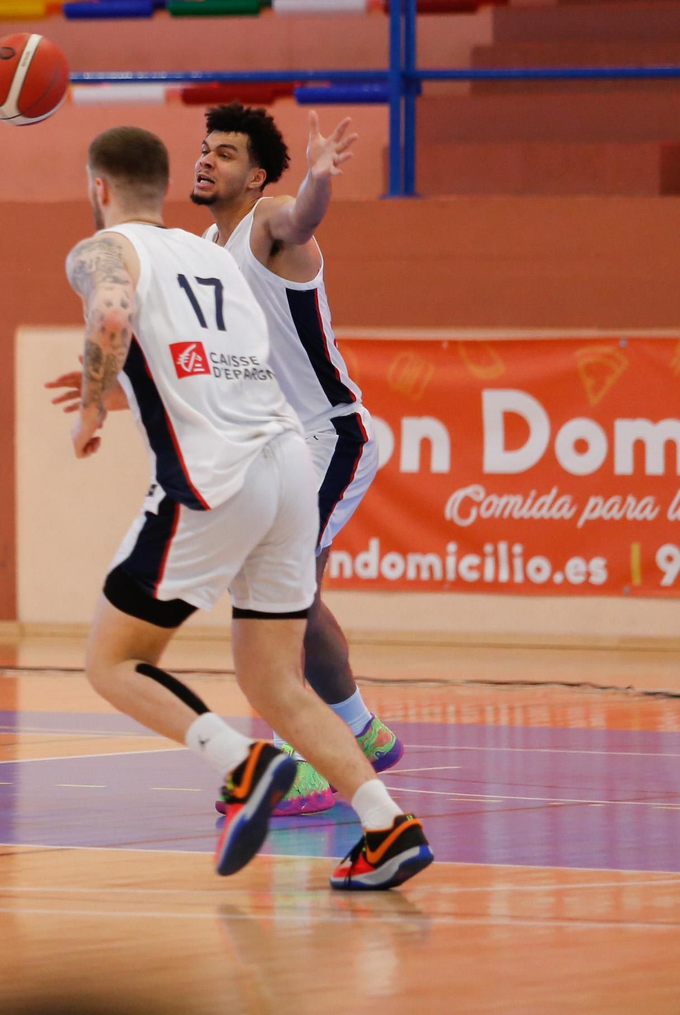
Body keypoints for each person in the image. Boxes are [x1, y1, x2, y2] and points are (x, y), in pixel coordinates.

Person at [59, 125, 432, 890]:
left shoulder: (102, 250)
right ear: (164, 180)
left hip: (213, 476)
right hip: (286, 466)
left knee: (113, 660)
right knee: (274, 681)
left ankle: (242, 764)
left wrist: (95, 403)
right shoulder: (210, 254)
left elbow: (111, 316)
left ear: (99, 188)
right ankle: (386, 825)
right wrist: (128, 385)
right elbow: (220, 362)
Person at [192, 104, 401, 815]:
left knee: (270, 595)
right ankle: (359, 730)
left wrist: (317, 180)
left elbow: (300, 219)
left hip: (327, 435)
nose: (206, 159)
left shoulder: (270, 222)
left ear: (255, 176)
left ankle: (301, 766)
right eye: (204, 148)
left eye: (224, 153)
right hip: (275, 445)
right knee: (293, 596)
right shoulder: (204, 250)